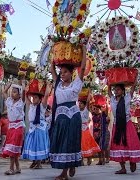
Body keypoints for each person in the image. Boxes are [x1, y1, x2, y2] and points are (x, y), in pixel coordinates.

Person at [49, 46, 86, 180]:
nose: (62, 74)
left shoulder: (76, 84)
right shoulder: (58, 84)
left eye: (65, 72)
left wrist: (84, 48)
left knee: (71, 142)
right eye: (61, 72)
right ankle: (68, 166)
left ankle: (65, 172)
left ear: (71, 73)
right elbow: (52, 69)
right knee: (61, 142)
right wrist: (54, 54)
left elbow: (82, 68)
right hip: (61, 118)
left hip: (73, 117)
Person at [108, 84, 140, 174]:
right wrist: (109, 83)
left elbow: (132, 89)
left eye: (118, 89)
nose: (116, 91)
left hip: (127, 124)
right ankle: (123, 168)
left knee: (130, 143)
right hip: (117, 125)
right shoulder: (112, 99)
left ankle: (132, 161)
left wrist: (134, 80)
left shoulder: (127, 98)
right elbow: (109, 91)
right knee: (118, 145)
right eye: (115, 90)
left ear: (123, 91)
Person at [22, 82, 52, 169]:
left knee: (38, 145)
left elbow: (46, 96)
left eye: (36, 98)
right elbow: (25, 97)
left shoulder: (42, 107)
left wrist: (47, 88)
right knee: (32, 145)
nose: (33, 99)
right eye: (33, 97)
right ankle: (34, 161)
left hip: (40, 128)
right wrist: (25, 88)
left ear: (40, 100)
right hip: (32, 128)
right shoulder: (31, 106)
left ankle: (39, 163)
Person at [1, 81, 25, 175]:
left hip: (18, 127)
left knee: (12, 148)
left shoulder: (21, 102)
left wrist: (23, 85)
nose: (12, 93)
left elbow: (24, 94)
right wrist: (8, 86)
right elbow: (4, 93)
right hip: (11, 127)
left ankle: (11, 168)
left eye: (15, 92)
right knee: (13, 149)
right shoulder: (9, 101)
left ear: (19, 94)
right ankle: (18, 168)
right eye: (12, 91)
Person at [79, 96, 101, 166]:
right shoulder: (77, 111)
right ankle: (81, 160)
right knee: (80, 146)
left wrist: (88, 97)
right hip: (79, 130)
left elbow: (88, 104)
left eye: (81, 103)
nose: (79, 104)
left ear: (85, 105)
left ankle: (89, 157)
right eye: (79, 103)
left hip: (85, 130)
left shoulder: (86, 111)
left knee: (86, 145)